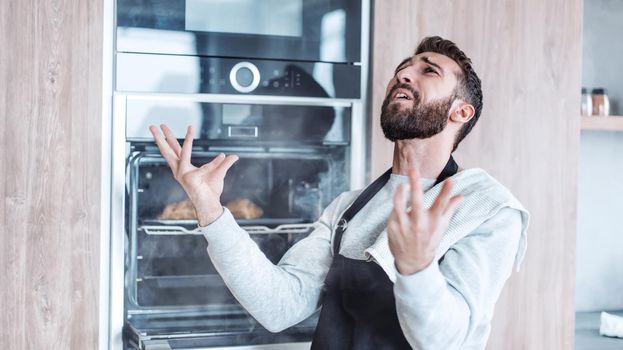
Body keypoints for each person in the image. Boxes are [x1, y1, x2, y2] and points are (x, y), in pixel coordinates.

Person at [149, 36, 530, 350]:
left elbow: (447, 343)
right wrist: (210, 210)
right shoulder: (348, 208)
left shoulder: (487, 208)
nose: (404, 75)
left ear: (461, 113)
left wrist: (417, 269)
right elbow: (278, 307)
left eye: (427, 70)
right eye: (402, 69)